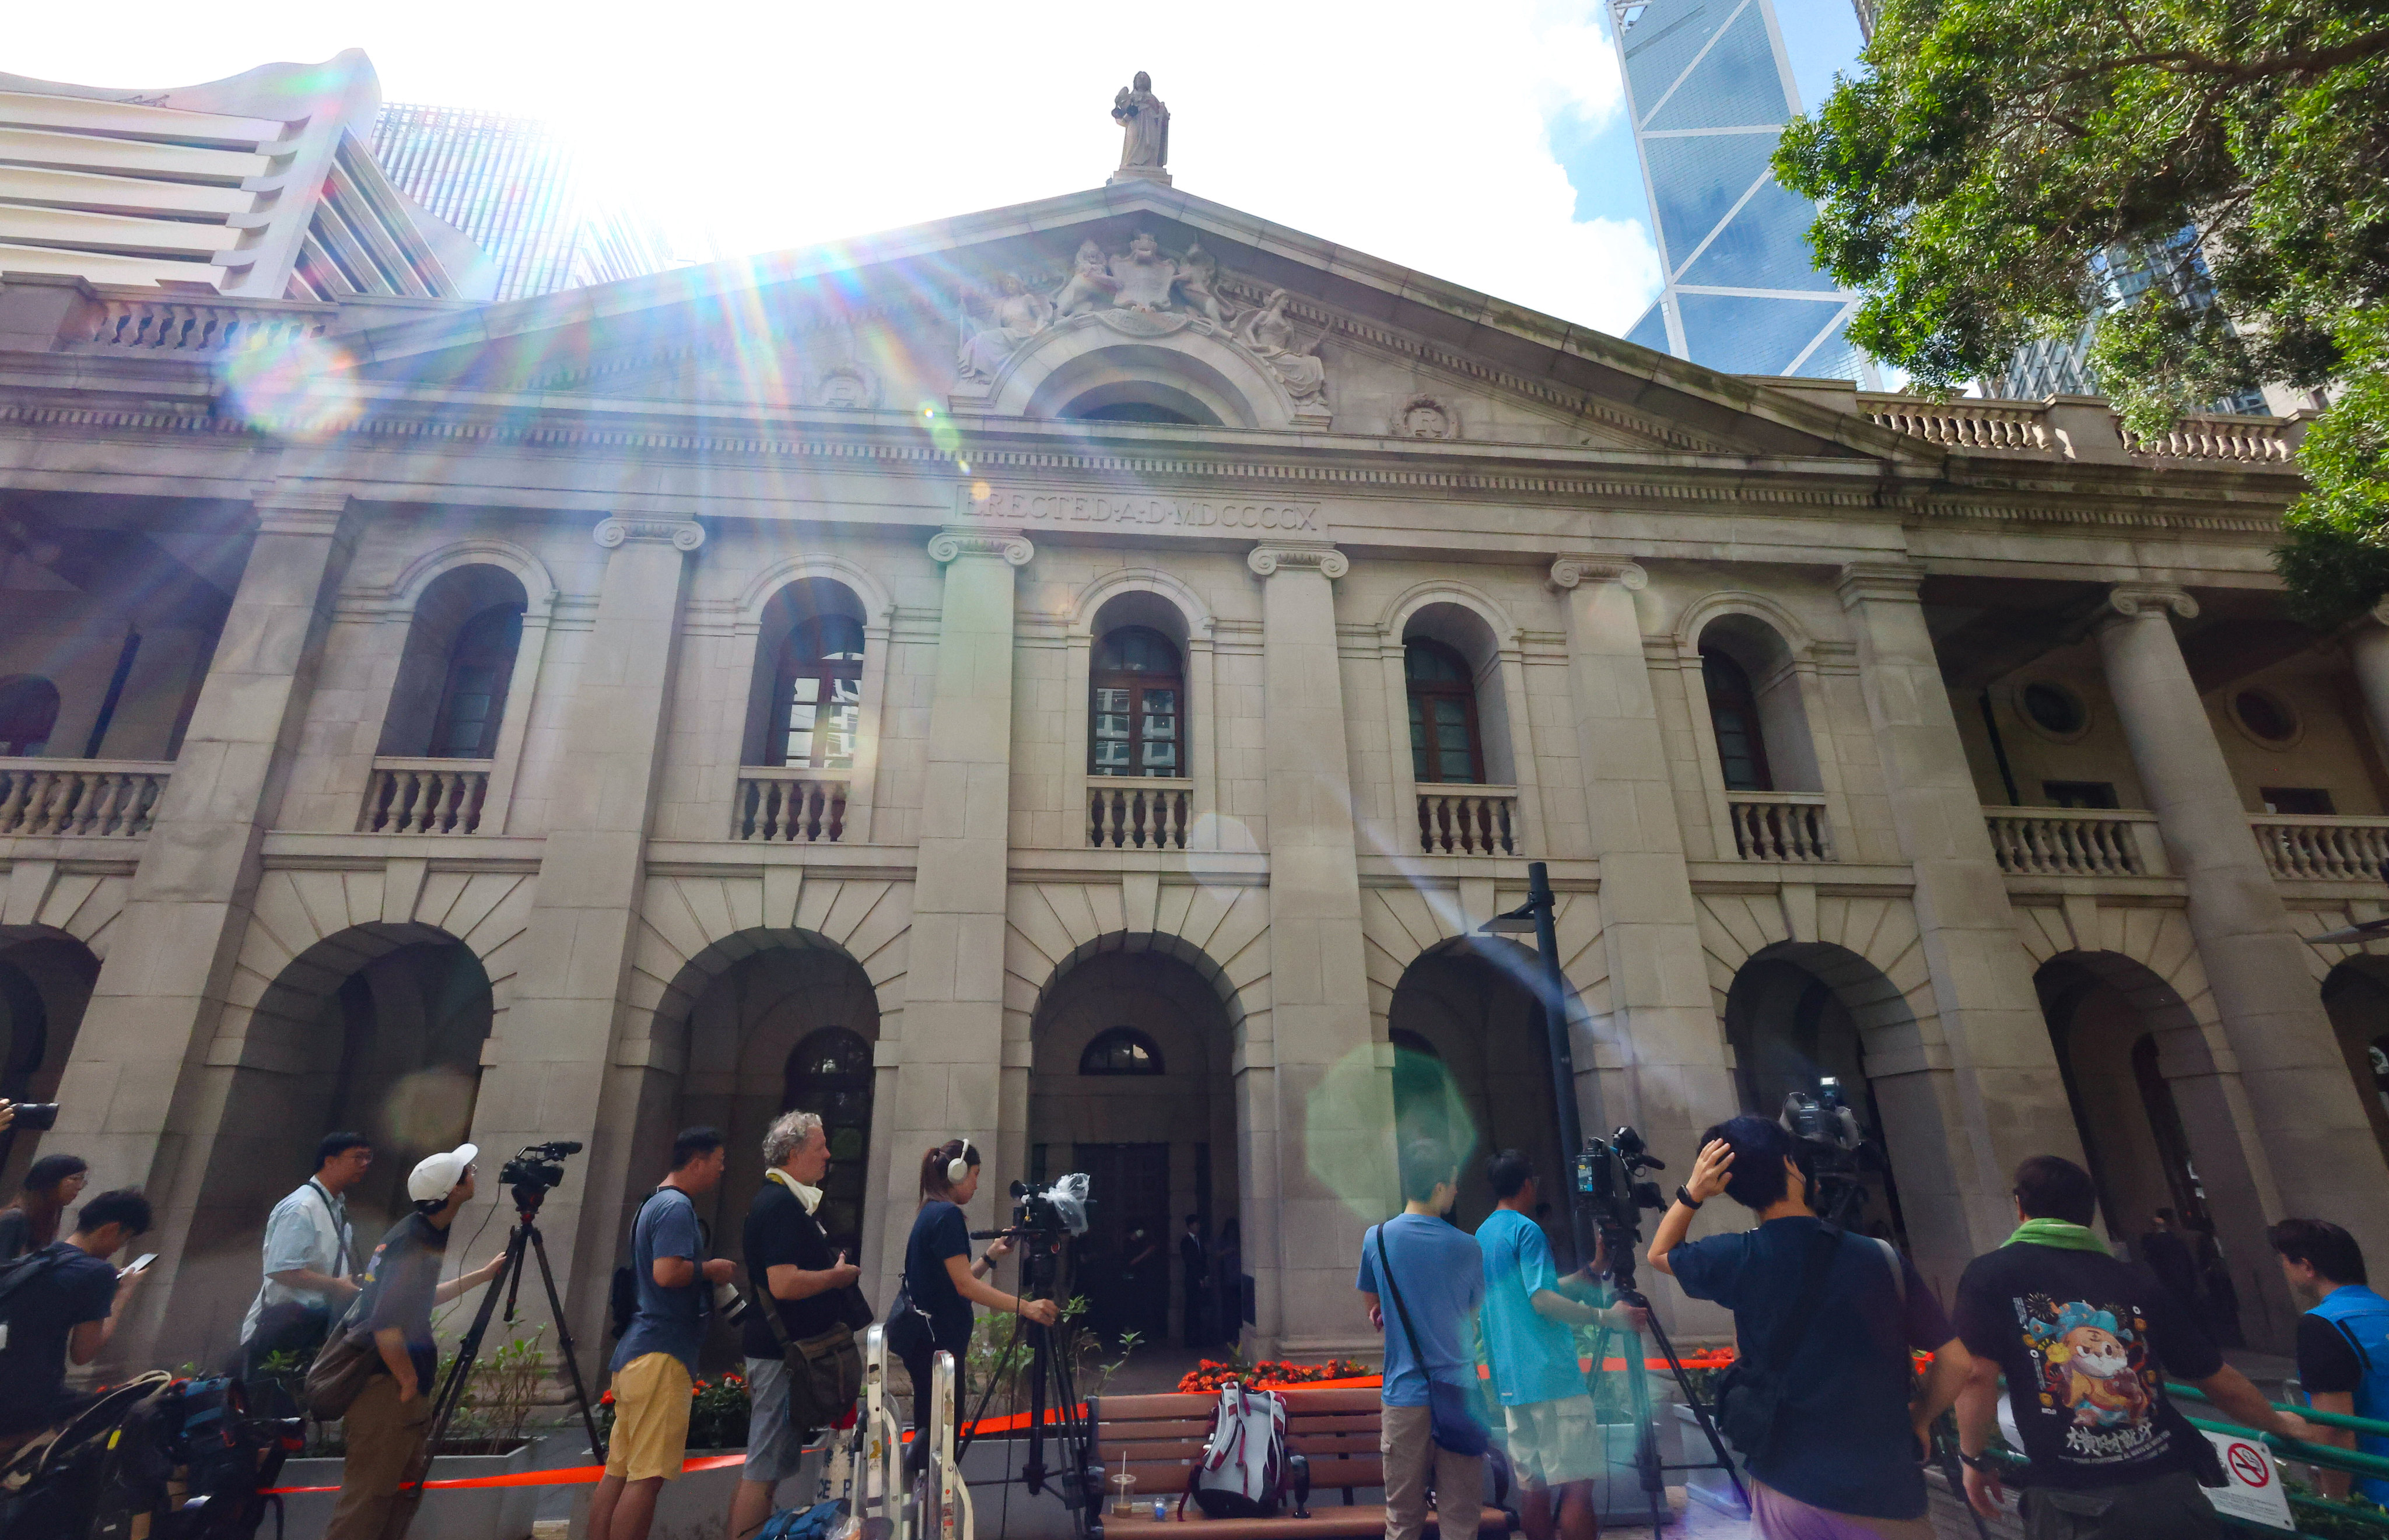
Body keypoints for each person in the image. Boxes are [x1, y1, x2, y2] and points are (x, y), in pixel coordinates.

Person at [1648, 1117, 1970, 1540]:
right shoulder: (1881, 1258)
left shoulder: (1739, 1256)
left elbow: (1660, 1252)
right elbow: (1957, 1361)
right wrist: (1921, 1418)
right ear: (1793, 1165)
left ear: (1730, 1187)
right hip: (1881, 1491)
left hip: (1785, 1485)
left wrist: (1693, 1192)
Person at [1954, 1157, 2309, 1537]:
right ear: (2088, 1214)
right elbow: (2212, 1374)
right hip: (2171, 1494)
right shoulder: (2134, 1277)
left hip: (2073, 1506)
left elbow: (1976, 1374)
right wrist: (2279, 1422)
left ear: (2020, 1206)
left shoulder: (1990, 1274)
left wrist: (1972, 1457)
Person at [325, 1145, 503, 1540]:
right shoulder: (413, 1240)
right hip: (386, 1388)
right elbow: (385, 1322)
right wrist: (407, 1382)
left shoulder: (418, 1231)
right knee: (368, 1501)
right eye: (466, 1171)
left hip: (392, 1387)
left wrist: (483, 1274)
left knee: (394, 1497)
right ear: (451, 1190)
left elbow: (414, 1299)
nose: (473, 1172)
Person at [1477, 1151, 1647, 1540]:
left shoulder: (1484, 1234)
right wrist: (1606, 1317)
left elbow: (1533, 1291)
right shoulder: (1528, 1230)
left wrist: (1593, 1269)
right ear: (1527, 1185)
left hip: (1514, 1386)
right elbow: (1542, 1300)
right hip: (1553, 1381)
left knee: (1533, 1489)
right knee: (1577, 1487)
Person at [592, 1127, 737, 1540]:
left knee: (618, 1470)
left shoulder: (652, 1202)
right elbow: (667, 1271)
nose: (722, 1170)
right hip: (661, 1354)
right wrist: (712, 1268)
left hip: (636, 1351)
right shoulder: (676, 1208)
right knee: (647, 1477)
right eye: (719, 1161)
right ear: (697, 1161)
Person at [728, 1112, 863, 1540]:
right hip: (779, 1355)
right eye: (820, 1146)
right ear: (793, 1153)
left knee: (769, 1465)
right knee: (764, 1466)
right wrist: (835, 1278)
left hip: (784, 1353)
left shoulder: (787, 1201)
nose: (828, 1154)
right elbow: (783, 1282)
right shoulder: (780, 1204)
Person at [1356, 1138, 1486, 1540]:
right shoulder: (1468, 1247)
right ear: (1438, 1187)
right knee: (1461, 1519)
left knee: (1402, 1517)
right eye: (1453, 1181)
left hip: (1403, 1395)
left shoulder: (1375, 1239)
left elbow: (1371, 1300)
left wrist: (1385, 1313)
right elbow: (1473, 1322)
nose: (1457, 1189)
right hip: (1460, 1394)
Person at [896, 1141, 1053, 1439]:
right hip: (938, 1348)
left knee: (932, 1437)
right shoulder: (947, 1215)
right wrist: (1028, 1307)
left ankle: (927, 1484)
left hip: (930, 1345)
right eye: (976, 1174)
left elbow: (954, 1282)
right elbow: (964, 1285)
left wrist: (990, 1256)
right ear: (957, 1173)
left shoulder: (932, 1212)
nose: (977, 1185)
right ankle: (932, 1486)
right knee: (940, 1442)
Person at [0, 1186, 149, 1453]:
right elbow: (84, 1353)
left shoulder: (37, 1259)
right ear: (110, 1229)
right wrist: (124, 1293)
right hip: (27, 1402)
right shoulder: (97, 1272)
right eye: (124, 1239)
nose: (118, 1249)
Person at [2270, 1217, 2389, 1506]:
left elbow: (2335, 1429)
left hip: (2375, 1495)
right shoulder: (2383, 1309)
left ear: (2307, 1267)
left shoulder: (2321, 1326)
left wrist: (2334, 1504)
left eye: (2286, 1261)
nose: (2284, 1269)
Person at [239, 1132, 372, 1377]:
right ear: (330, 1161)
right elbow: (281, 1270)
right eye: (358, 1157)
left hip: (313, 1326)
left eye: (368, 1157)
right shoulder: (302, 1207)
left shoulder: (334, 1205)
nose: (365, 1164)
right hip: (285, 1329)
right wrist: (336, 1286)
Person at [0, 1152, 89, 1261]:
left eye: (82, 1180)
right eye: (74, 1179)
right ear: (50, 1181)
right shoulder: (15, 1218)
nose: (79, 1187)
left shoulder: (51, 1216)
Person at [2137, 1209, 2204, 1311]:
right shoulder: (2179, 1240)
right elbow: (2189, 1262)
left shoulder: (2152, 1244)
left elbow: (2151, 1265)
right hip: (2186, 1282)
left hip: (2167, 1285)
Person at [1180, 1215, 1211, 1349]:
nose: (1198, 1227)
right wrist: (1198, 1278)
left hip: (1201, 1280)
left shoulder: (1199, 1241)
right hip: (1192, 1280)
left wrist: (1205, 1276)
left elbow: (1204, 1260)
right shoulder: (1186, 1241)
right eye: (1196, 1224)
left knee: (1199, 1309)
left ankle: (1199, 1338)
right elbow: (1190, 1262)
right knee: (1191, 1309)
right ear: (1191, 1225)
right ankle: (1190, 1339)